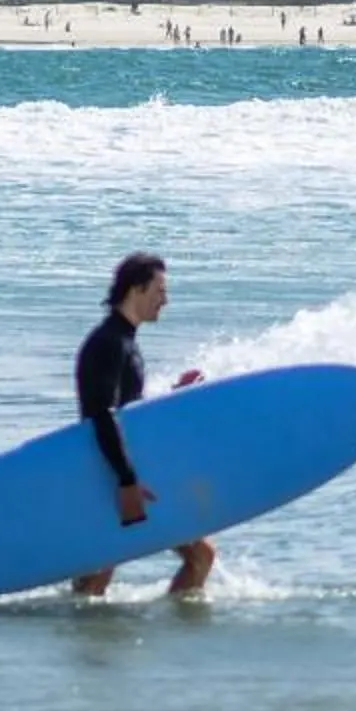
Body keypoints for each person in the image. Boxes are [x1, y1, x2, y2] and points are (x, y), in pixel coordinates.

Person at [71, 252, 214, 598]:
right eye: (160, 290)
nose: (165, 300)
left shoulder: (125, 341)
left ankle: (169, 623)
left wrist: (175, 395)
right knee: (97, 576)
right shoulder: (108, 342)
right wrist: (126, 481)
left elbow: (127, 411)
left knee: (199, 555)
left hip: (121, 469)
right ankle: (83, 628)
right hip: (110, 473)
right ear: (136, 289)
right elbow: (101, 415)